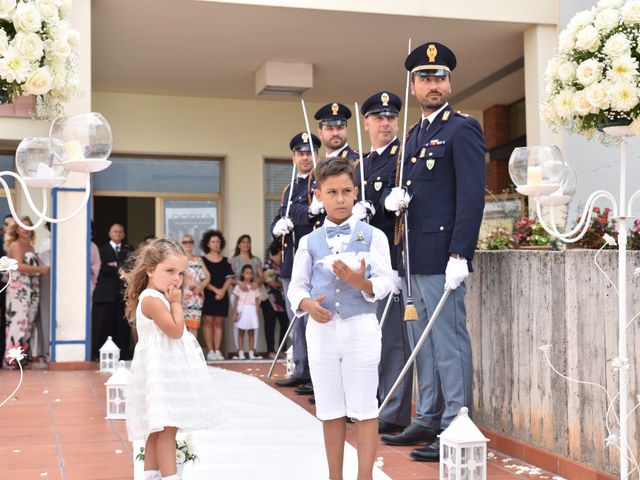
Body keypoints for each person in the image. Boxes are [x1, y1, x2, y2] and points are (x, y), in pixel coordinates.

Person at [381, 41, 486, 462]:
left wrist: (460, 253)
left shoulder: (462, 128)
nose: (432, 84)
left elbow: (471, 196)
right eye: (425, 79)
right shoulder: (411, 136)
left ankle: (455, 426)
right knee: (422, 345)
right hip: (413, 257)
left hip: (444, 257)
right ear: (413, 87)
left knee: (449, 344)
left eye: (439, 77)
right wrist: (395, 199)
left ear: (449, 82)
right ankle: (427, 416)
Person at [288, 156, 394, 480]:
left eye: (346, 191)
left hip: (361, 327)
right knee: (330, 408)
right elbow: (296, 287)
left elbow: (387, 280)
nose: (340, 199)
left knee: (364, 405)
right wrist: (307, 304)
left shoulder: (373, 236)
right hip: (321, 332)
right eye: (331, 192)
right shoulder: (308, 242)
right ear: (318, 195)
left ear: (356, 192)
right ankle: (335, 475)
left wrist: (361, 283)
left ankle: (365, 476)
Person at [123, 239, 224, 480]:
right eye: (169, 271)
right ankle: (169, 476)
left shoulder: (157, 297)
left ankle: (150, 475)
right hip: (162, 372)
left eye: (180, 273)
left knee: (159, 429)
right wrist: (177, 304)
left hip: (166, 368)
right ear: (150, 270)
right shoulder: (152, 300)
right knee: (167, 428)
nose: (176, 278)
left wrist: (174, 302)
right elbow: (176, 331)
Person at [353, 91, 413, 434]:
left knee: (393, 342)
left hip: (393, 261)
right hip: (369, 266)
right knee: (369, 339)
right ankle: (374, 403)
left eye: (390, 117)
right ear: (366, 123)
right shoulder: (361, 165)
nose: (385, 123)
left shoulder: (403, 157)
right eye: (378, 118)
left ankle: (393, 411)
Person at [271, 132, 324, 389]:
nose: (305, 157)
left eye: (310, 152)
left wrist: (302, 214)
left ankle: (315, 374)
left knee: (311, 320)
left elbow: (316, 213)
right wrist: (276, 226)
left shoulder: (319, 182)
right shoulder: (289, 188)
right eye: (301, 153)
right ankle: (301, 368)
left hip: (310, 262)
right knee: (296, 319)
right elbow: (281, 217)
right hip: (290, 262)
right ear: (294, 157)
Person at [3, 216, 49, 369]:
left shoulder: (30, 246)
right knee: (18, 322)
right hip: (19, 290)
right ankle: (12, 359)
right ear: (16, 229)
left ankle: (22, 357)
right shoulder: (15, 245)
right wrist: (41, 269)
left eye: (29, 226)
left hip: (32, 288)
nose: (26, 229)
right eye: (23, 226)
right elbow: (18, 266)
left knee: (29, 323)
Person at [92, 223, 134, 360]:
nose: (118, 233)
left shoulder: (128, 249)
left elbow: (130, 267)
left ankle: (123, 354)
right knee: (104, 324)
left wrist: (114, 265)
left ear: (124, 234)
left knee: (123, 325)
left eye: (120, 231)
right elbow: (102, 268)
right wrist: (119, 266)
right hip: (105, 294)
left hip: (123, 294)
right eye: (115, 231)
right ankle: (100, 354)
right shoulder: (101, 250)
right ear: (110, 233)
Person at [200, 229, 234, 362]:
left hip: (222, 294)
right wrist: (215, 290)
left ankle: (217, 350)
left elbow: (230, 278)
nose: (215, 244)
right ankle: (210, 351)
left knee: (219, 323)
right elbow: (202, 278)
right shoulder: (202, 260)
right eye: (213, 241)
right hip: (208, 294)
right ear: (207, 244)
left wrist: (222, 291)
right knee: (208, 322)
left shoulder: (226, 260)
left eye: (218, 241)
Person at [262, 240, 289, 359]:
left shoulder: (283, 264)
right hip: (269, 299)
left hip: (282, 299)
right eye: (281, 254)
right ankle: (270, 350)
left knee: (284, 323)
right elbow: (269, 281)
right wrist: (284, 284)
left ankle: (282, 349)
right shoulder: (268, 264)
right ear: (277, 252)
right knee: (270, 325)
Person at [230, 264, 262, 360]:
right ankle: (240, 352)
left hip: (251, 310)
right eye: (247, 273)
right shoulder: (238, 286)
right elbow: (235, 300)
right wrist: (234, 312)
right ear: (243, 274)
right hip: (241, 310)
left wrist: (256, 311)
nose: (249, 275)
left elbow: (257, 300)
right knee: (241, 331)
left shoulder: (255, 286)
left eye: (251, 273)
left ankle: (251, 352)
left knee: (251, 331)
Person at [181, 234, 210, 337]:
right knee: (181, 326)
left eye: (190, 242)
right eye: (185, 242)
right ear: (181, 244)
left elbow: (208, 276)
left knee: (193, 326)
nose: (188, 244)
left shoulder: (198, 259)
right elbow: (177, 276)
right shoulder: (178, 260)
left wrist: (201, 286)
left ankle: (193, 352)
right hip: (182, 296)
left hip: (196, 297)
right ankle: (182, 353)